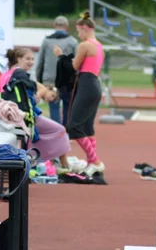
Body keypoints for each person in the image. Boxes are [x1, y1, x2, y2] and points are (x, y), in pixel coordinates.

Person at [53, 11, 105, 176]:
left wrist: (61, 56)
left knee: (74, 126)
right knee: (87, 126)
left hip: (86, 84)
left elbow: (73, 67)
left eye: (79, 31)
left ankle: (95, 160)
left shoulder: (85, 45)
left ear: (86, 28)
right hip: (94, 85)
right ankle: (91, 162)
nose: (79, 34)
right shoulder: (99, 46)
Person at [34, 16, 79, 124]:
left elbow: (40, 62)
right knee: (68, 106)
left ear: (54, 26)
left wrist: (40, 80)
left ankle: (56, 132)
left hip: (50, 81)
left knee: (53, 106)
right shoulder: (73, 42)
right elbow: (77, 63)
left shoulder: (46, 41)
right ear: (67, 27)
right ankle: (65, 132)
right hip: (67, 81)